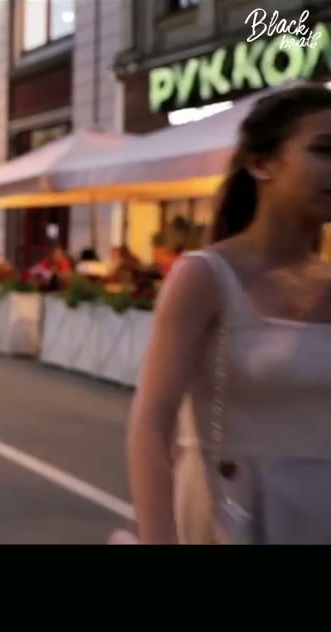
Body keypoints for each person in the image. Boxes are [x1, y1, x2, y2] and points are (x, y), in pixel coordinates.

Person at [126, 84, 331, 544]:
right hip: (232, 516)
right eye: (324, 150)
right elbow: (151, 424)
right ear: (261, 163)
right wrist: (158, 537)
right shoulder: (205, 276)